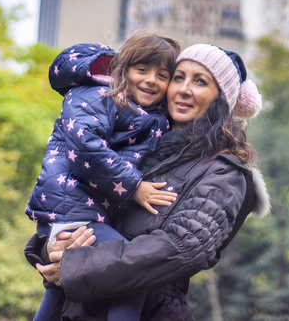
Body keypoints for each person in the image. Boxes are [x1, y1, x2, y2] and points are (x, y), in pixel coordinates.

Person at [30, 43, 270, 321]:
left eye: (200, 81)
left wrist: (76, 266)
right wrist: (51, 248)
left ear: (222, 100)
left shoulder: (223, 172)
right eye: (178, 77)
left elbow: (181, 249)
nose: (184, 89)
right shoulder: (134, 143)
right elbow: (75, 208)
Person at [26, 33, 181, 321]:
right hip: (71, 210)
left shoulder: (145, 113)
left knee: (60, 289)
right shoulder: (98, 95)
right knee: (132, 277)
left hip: (86, 212)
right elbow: (85, 145)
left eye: (163, 75)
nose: (151, 80)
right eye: (142, 69)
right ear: (122, 69)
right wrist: (134, 186)